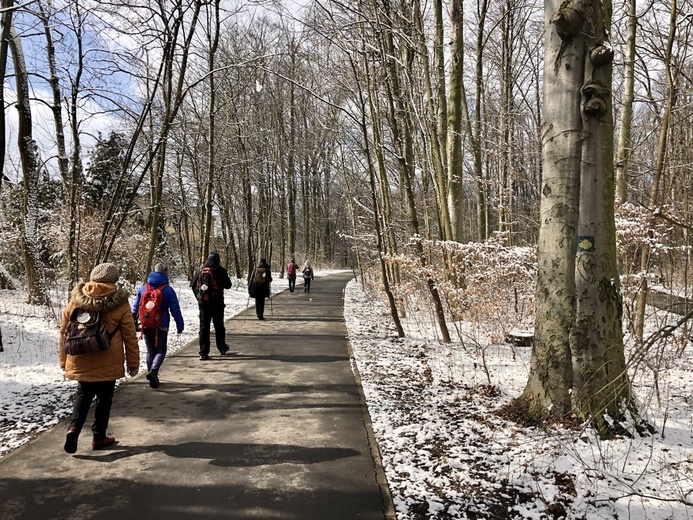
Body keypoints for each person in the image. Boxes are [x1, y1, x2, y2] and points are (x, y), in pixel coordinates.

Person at [59, 262, 139, 454]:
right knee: (105, 398)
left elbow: (64, 332)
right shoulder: (119, 302)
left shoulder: (76, 299)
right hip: (108, 359)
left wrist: (64, 360)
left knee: (83, 394)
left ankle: (74, 428)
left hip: (80, 356)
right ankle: (98, 437)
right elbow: (129, 334)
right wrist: (133, 363)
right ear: (114, 280)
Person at [131, 263, 184, 389]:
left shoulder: (144, 288)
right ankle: (153, 372)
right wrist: (180, 325)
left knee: (150, 351)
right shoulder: (168, 290)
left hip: (146, 324)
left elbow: (135, 306)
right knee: (161, 350)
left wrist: (132, 321)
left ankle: (152, 377)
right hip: (161, 325)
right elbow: (175, 309)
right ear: (165, 273)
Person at [192, 251, 232, 360]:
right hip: (217, 303)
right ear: (218, 260)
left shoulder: (200, 270)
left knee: (204, 327)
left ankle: (203, 352)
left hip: (203, 304)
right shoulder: (220, 270)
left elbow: (193, 286)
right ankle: (222, 348)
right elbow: (228, 285)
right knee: (219, 326)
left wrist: (200, 298)